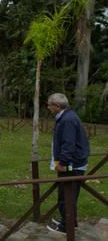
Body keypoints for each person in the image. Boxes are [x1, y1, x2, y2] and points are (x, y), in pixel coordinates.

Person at [45, 93, 90, 236]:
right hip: (73, 163)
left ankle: (67, 226)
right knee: (67, 194)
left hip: (72, 165)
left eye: (49, 105)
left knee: (66, 195)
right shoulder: (66, 117)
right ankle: (71, 221)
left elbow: (68, 144)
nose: (48, 107)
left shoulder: (67, 120)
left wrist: (62, 163)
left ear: (57, 106)